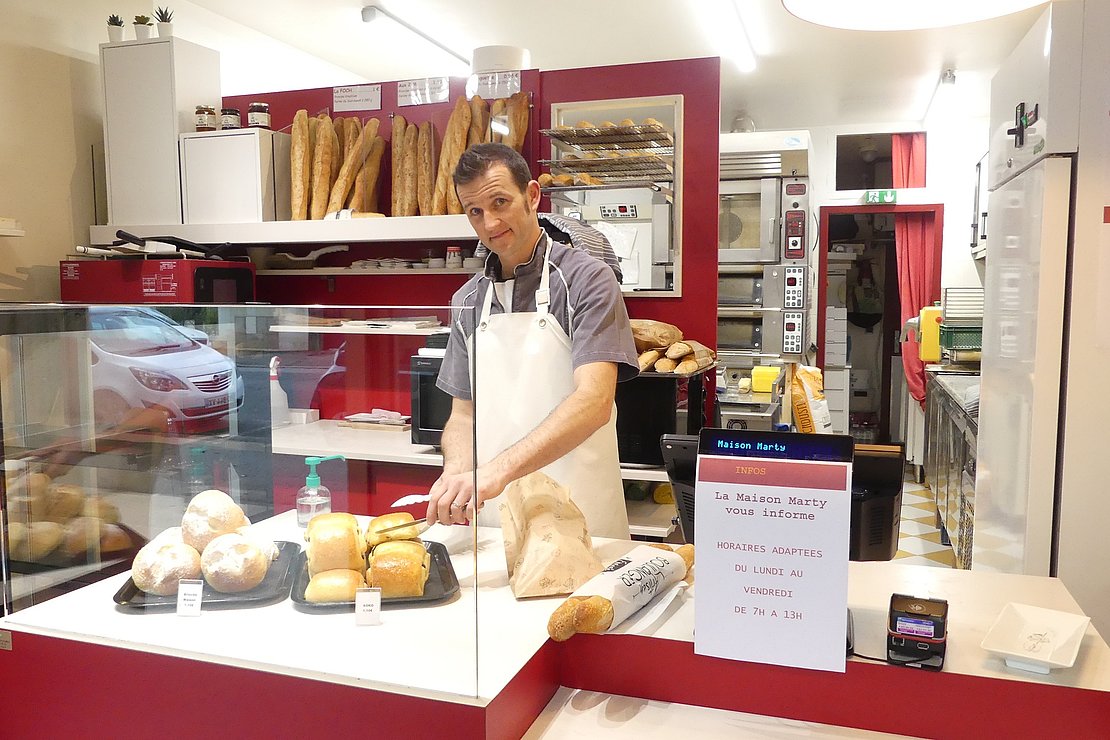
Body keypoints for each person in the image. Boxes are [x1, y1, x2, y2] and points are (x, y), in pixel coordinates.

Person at [427, 143, 639, 539]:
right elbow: (463, 415)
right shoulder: (467, 301)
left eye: (500, 202)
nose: (489, 223)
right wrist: (457, 471)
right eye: (475, 211)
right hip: (495, 520)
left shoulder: (587, 280)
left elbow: (594, 402)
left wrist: (494, 472)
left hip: (580, 515)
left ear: (532, 196)